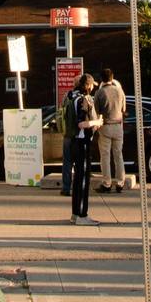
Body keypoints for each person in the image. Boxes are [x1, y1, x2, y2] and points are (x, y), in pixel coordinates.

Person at [67, 76, 104, 224]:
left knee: (77, 179)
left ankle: (75, 213)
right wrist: (97, 122)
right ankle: (82, 215)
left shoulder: (72, 97)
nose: (93, 87)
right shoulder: (83, 100)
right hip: (82, 142)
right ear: (88, 85)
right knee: (83, 180)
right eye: (92, 85)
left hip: (74, 141)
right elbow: (82, 124)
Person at [59, 74, 95, 197]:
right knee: (80, 163)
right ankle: (79, 188)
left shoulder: (67, 96)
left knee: (67, 162)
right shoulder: (83, 98)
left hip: (67, 133)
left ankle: (66, 187)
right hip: (78, 134)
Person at [95, 69, 128, 192]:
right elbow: (124, 109)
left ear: (101, 79)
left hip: (106, 126)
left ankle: (107, 183)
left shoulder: (100, 92)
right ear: (112, 77)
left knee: (105, 156)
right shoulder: (120, 91)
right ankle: (120, 182)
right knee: (118, 155)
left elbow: (96, 111)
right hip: (118, 126)